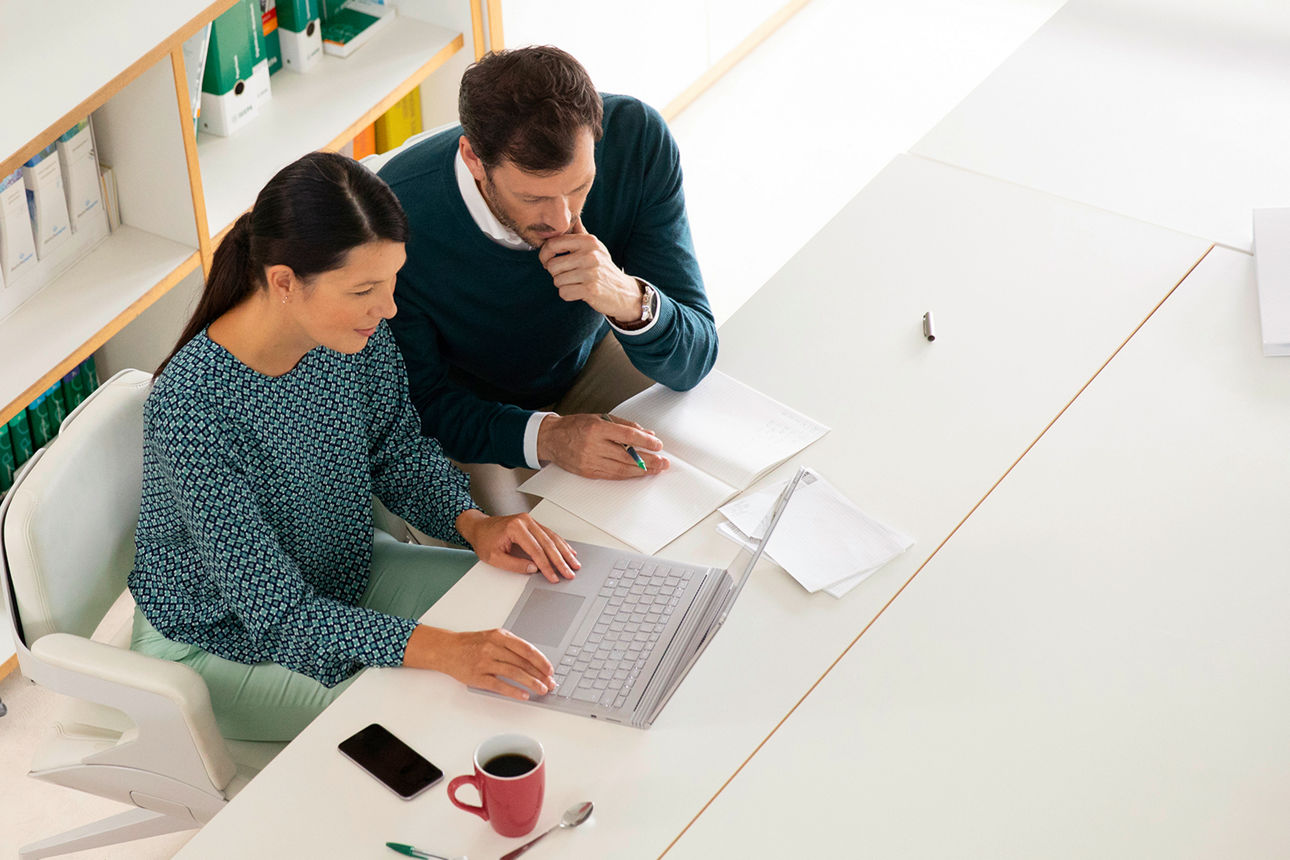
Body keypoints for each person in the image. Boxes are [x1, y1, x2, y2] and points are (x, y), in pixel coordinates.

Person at [127, 151, 580, 743]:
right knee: (448, 710)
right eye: (366, 288)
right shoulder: (192, 409)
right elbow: (280, 617)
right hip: (223, 641)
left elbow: (396, 450)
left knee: (527, 608)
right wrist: (444, 651)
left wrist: (473, 523)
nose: (388, 307)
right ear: (284, 282)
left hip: (342, 573)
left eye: (393, 280)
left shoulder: (351, 335)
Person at [378, 46, 719, 515]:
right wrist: (551, 437)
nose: (561, 218)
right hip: (476, 415)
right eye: (533, 197)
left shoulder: (636, 138)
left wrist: (625, 295)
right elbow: (421, 405)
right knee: (534, 562)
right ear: (474, 159)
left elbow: (697, 354)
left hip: (594, 355)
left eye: (579, 186)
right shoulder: (393, 220)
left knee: (699, 486)